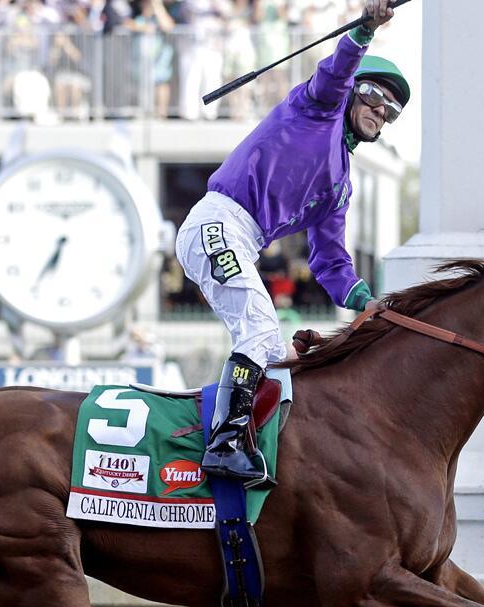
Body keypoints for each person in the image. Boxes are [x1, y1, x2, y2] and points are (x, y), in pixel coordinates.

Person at [174, 0, 406, 485]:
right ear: (351, 93)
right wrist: (365, 31)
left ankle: (249, 437)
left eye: (391, 108)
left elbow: (331, 262)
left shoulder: (341, 187)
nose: (379, 109)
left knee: (274, 347)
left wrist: (368, 302)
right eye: (371, 95)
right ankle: (224, 445)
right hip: (216, 222)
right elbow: (335, 73)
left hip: (243, 239)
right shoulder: (317, 108)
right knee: (261, 331)